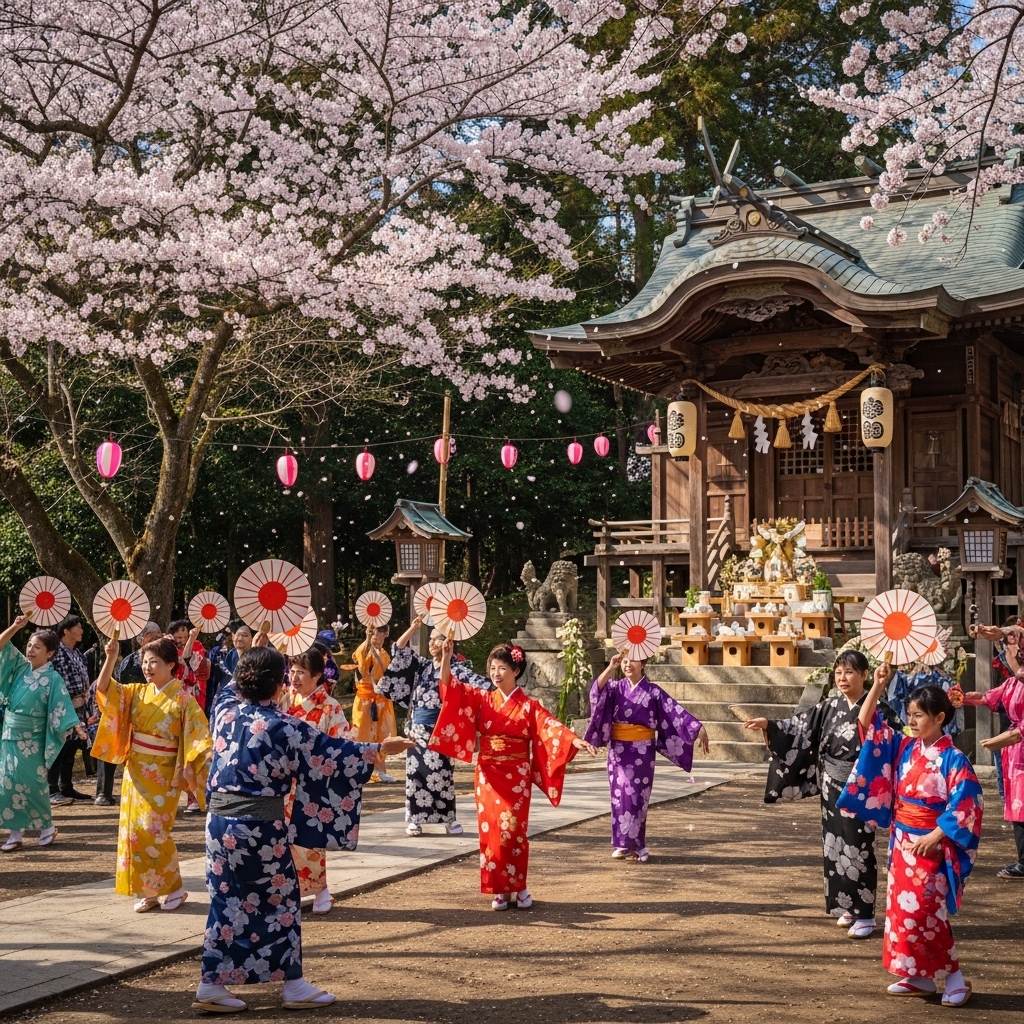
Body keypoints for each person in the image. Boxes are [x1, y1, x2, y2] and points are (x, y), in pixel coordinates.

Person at [193, 646, 413, 1013]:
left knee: (224, 899)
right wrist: (380, 746)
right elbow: (334, 753)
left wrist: (255, 646)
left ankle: (211, 984)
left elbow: (230, 684)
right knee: (282, 900)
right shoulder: (286, 727)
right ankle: (292, 985)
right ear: (279, 685)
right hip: (259, 827)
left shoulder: (224, 712)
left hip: (218, 826)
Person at [839, 679, 983, 1005]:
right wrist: (877, 684)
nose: (913, 720)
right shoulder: (904, 747)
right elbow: (866, 724)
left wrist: (937, 834)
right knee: (903, 913)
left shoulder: (954, 758)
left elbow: (967, 804)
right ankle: (919, 976)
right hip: (902, 841)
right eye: (911, 714)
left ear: (941, 717)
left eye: (920, 715)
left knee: (928, 913)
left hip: (932, 844)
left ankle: (955, 977)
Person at [744, 650, 902, 939]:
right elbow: (799, 726)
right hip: (831, 785)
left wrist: (879, 687)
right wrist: (769, 724)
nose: (843, 678)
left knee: (858, 846)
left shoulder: (881, 708)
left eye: (850, 672)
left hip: (861, 786)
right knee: (834, 845)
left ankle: (865, 913)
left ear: (865, 675)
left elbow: (895, 743)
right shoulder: (828, 706)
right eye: (839, 672)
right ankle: (847, 906)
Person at [432, 639, 595, 910]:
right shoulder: (482, 698)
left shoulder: (529, 705)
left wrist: (573, 740)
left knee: (513, 831)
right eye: (492, 668)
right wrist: (447, 658)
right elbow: (451, 689)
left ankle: (518, 886)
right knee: (492, 832)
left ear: (516, 671)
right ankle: (500, 890)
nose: (496, 673)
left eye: (502, 668)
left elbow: (549, 726)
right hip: (487, 773)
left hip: (516, 775)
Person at [91, 635, 212, 912]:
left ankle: (175, 888)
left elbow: (199, 738)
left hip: (164, 773)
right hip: (135, 770)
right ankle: (149, 890)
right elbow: (104, 689)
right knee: (133, 831)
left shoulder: (183, 699)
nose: (147, 667)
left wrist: (193, 770)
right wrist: (111, 657)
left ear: (172, 664)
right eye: (145, 662)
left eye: (154, 662)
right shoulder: (136, 692)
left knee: (154, 830)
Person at [585, 651, 709, 862]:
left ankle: (637, 845)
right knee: (619, 797)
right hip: (618, 751)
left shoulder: (653, 692)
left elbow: (675, 712)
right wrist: (610, 668)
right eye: (624, 660)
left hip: (642, 752)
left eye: (632, 660)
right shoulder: (615, 688)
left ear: (643, 663)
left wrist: (698, 728)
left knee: (637, 798)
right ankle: (622, 844)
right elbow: (596, 692)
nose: (627, 664)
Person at [377, 615, 491, 836]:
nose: (431, 643)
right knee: (415, 776)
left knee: (442, 775)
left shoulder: (457, 668)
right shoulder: (423, 666)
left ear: (449, 641)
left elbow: (479, 685)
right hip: (417, 729)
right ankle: (414, 820)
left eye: (436, 639)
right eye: (430, 638)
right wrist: (413, 628)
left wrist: (449, 659)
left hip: (442, 729)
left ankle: (448, 819)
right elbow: (399, 649)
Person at [0, 615, 84, 852]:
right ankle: (14, 833)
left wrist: (75, 725)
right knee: (7, 785)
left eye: (37, 647)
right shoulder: (19, 667)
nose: (30, 650)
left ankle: (46, 826)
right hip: (9, 735)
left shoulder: (53, 678)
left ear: (50, 653)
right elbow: (1, 646)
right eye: (29, 645)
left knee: (35, 785)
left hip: (33, 740)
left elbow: (62, 708)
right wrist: (16, 627)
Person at [281, 647, 351, 916]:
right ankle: (291, 890)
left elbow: (341, 743)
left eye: (301, 672)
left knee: (309, 840)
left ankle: (321, 890)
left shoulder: (329, 706)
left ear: (317, 675)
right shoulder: (285, 699)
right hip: (284, 781)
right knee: (283, 839)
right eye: (292, 671)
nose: (294, 677)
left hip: (313, 782)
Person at [963, 621, 1024, 878]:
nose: (1009, 656)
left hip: (1016, 745)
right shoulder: (1012, 685)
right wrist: (960, 697)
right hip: (1015, 756)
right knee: (1018, 809)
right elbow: (986, 697)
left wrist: (1007, 738)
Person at [47, 614, 94, 802]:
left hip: (80, 705)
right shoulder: (57, 652)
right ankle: (52, 788)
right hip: (63, 705)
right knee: (60, 746)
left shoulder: (77, 653)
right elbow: (55, 681)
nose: (81, 630)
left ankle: (66, 786)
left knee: (72, 746)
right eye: (77, 627)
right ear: (66, 631)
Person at [350, 624, 398, 783]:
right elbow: (362, 666)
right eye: (373, 634)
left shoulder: (385, 653)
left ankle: (380, 770)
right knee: (362, 733)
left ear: (386, 633)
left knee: (381, 736)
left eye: (378, 634)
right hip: (365, 700)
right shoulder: (364, 649)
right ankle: (360, 768)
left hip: (382, 699)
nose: (375, 637)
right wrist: (367, 639)